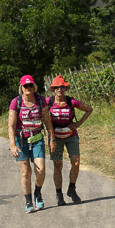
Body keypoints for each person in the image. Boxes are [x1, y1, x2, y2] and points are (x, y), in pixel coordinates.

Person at [8, 75, 53, 214]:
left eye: (30, 85)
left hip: (37, 138)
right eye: (25, 86)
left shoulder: (40, 101)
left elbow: (47, 120)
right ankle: (28, 201)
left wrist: (52, 139)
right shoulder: (16, 102)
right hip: (20, 140)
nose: (28, 88)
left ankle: (37, 193)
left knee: (41, 170)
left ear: (34, 87)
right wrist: (12, 144)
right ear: (21, 88)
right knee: (26, 172)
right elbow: (11, 125)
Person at [47, 75, 93, 206]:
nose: (60, 89)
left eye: (62, 87)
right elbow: (39, 111)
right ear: (53, 90)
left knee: (76, 163)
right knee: (57, 165)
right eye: (57, 87)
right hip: (55, 138)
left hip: (71, 136)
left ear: (65, 89)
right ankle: (59, 194)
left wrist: (78, 124)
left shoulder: (71, 102)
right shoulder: (48, 102)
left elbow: (89, 109)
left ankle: (72, 189)